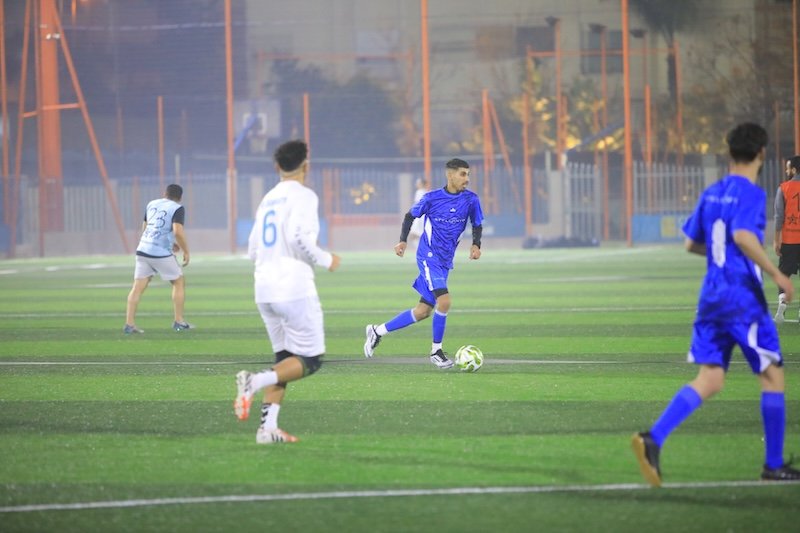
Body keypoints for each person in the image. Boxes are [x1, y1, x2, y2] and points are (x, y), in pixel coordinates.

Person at [631, 123, 800, 487]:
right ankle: (773, 465)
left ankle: (653, 439)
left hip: (710, 296)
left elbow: (691, 243)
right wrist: (777, 274)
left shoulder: (712, 192)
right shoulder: (751, 194)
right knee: (772, 374)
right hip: (741, 297)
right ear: (761, 153)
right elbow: (742, 235)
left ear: (729, 153)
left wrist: (722, 256)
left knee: (711, 378)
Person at [234, 139, 341, 444]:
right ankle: (254, 381)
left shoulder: (268, 198)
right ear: (306, 165)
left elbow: (252, 249)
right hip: (293, 288)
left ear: (277, 166)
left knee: (284, 360)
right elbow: (298, 237)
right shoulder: (304, 195)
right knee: (311, 360)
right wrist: (326, 259)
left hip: (264, 289)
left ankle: (267, 429)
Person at [363, 158, 483, 369]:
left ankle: (376, 331)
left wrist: (476, 244)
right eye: (463, 174)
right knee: (444, 301)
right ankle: (436, 352)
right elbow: (409, 216)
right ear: (450, 175)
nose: (467, 179)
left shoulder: (471, 200)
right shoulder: (431, 198)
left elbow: (477, 223)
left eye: (468, 174)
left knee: (422, 311)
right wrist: (402, 241)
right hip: (428, 257)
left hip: (445, 261)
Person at [124, 183, 192, 334]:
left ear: (165, 193)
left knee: (137, 287)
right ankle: (179, 322)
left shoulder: (151, 204)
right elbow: (178, 231)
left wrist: (167, 242)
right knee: (178, 282)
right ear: (180, 197)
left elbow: (145, 226)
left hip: (143, 250)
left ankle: (129, 324)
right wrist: (186, 251)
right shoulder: (177, 208)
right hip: (160, 253)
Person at [772, 155, 800, 323]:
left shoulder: (783, 188)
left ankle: (782, 304)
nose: (786, 170)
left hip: (790, 240)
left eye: (788, 167)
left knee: (783, 274)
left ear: (794, 170)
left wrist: (777, 240)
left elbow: (779, 217)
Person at [408, 178, 428, 248]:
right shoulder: (426, 192)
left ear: (422, 184)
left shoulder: (419, 192)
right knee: (416, 235)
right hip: (423, 217)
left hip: (420, 217)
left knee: (414, 235)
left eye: (418, 183)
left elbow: (419, 205)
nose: (416, 184)